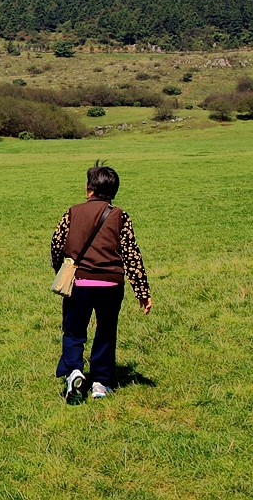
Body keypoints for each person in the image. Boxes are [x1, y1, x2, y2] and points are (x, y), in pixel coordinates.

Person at [50, 162, 151, 404]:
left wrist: (61, 269)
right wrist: (142, 291)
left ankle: (74, 372)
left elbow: (56, 244)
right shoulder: (119, 216)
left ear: (89, 189)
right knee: (105, 332)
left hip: (80, 282)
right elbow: (131, 254)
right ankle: (100, 383)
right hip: (111, 285)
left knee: (74, 331)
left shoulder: (72, 212)